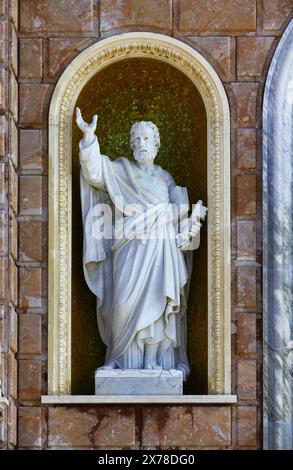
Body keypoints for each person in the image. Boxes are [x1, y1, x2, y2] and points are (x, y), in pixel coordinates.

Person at [76, 108, 205, 380]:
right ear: (132, 145)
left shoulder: (164, 177)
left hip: (161, 249)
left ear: (156, 146)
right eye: (138, 140)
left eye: (147, 140)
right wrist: (89, 139)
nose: (142, 144)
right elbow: (95, 173)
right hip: (129, 247)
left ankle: (153, 360)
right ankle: (118, 357)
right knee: (121, 303)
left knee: (160, 302)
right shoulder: (121, 170)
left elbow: (181, 208)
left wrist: (185, 218)